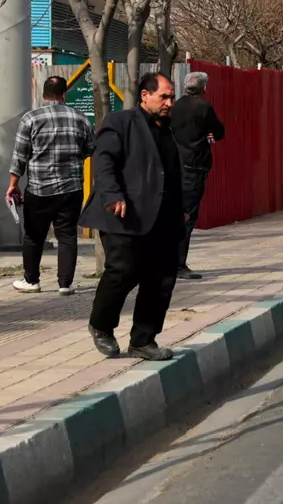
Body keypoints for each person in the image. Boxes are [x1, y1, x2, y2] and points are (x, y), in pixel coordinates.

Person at [82, 73, 186, 361]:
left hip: (162, 218)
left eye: (171, 97)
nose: (169, 102)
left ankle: (143, 339)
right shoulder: (121, 122)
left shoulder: (167, 128)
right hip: (123, 214)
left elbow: (171, 171)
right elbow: (103, 161)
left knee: (161, 278)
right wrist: (113, 194)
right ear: (144, 95)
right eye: (164, 96)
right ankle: (101, 325)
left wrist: (182, 208)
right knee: (123, 270)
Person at [6, 76, 94, 295]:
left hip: (39, 188)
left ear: (43, 94)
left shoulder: (31, 119)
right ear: (64, 94)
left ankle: (31, 280)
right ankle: (65, 284)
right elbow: (91, 148)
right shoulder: (80, 118)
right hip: (71, 188)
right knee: (67, 235)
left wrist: (13, 184)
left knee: (34, 235)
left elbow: (20, 156)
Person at [171, 71, 225, 280]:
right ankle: (178, 265)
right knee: (187, 216)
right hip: (194, 166)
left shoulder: (173, 107)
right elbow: (219, 131)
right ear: (203, 88)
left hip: (173, 165)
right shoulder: (203, 107)